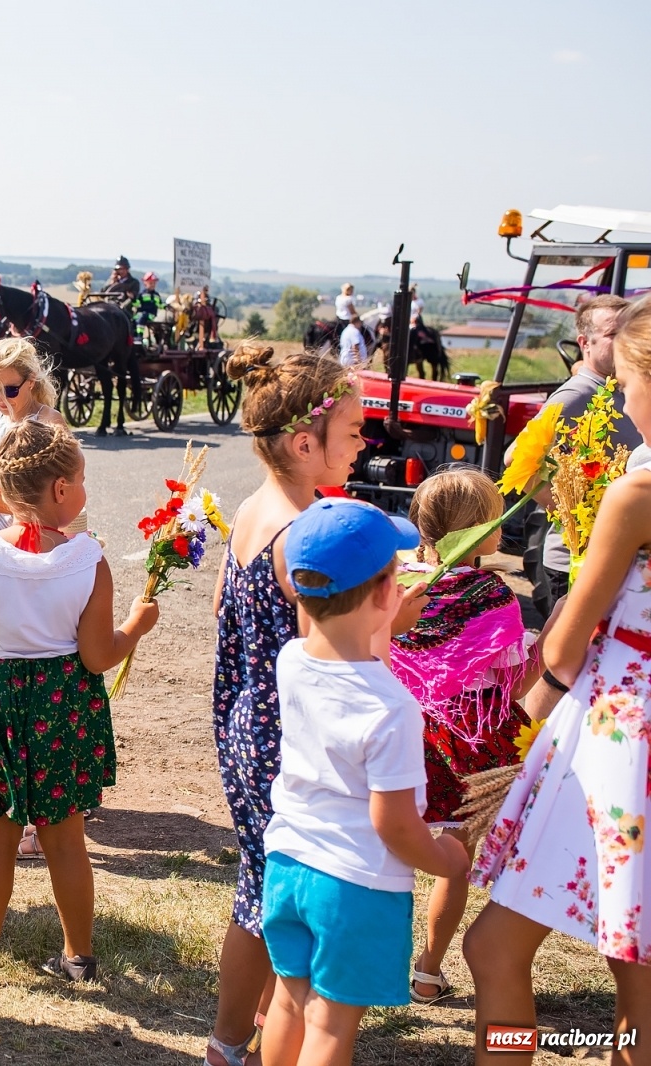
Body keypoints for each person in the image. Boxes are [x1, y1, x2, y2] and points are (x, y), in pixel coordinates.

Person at [463, 296, 651, 1064]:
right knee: (635, 976)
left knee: (494, 951)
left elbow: (567, 644)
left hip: (616, 738)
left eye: (631, 383)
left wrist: (509, 727)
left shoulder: (636, 494)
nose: (624, 400)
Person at [0, 420, 158, 988]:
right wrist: (135, 627)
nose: (85, 492)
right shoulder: (88, 560)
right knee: (65, 835)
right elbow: (95, 657)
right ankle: (78, 957)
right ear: (61, 490)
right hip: (63, 705)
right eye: (82, 481)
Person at [258, 499, 470, 1066]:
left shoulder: (292, 658)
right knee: (329, 1026)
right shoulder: (393, 710)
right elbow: (394, 822)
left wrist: (379, 617)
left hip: (288, 863)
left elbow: (333, 635)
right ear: (383, 594)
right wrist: (444, 858)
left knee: (289, 1002)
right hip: (354, 883)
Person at [205, 343, 368, 1066]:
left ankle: (232, 1037)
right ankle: (253, 1037)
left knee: (258, 886)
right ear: (307, 443)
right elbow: (328, 654)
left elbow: (221, 607)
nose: (365, 444)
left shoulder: (254, 508)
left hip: (244, 724)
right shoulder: (307, 531)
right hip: (286, 742)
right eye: (355, 432)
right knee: (284, 898)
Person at [389, 467, 539, 1006]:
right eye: (494, 518)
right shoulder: (490, 593)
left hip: (399, 732)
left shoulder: (397, 582)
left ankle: (376, 964)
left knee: (388, 853)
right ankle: (428, 971)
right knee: (454, 859)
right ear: (476, 529)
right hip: (465, 740)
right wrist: (550, 647)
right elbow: (512, 684)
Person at [534, 295, 639, 610]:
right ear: (585, 343)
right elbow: (519, 463)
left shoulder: (622, 391)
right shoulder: (575, 397)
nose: (623, 343)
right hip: (575, 565)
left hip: (612, 561)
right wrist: (580, 521)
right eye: (612, 334)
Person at [0, 338, 67, 535]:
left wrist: (6, 506)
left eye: (10, 390)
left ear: (31, 381)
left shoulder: (49, 421)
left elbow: (62, 498)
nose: (1, 399)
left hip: (32, 537)